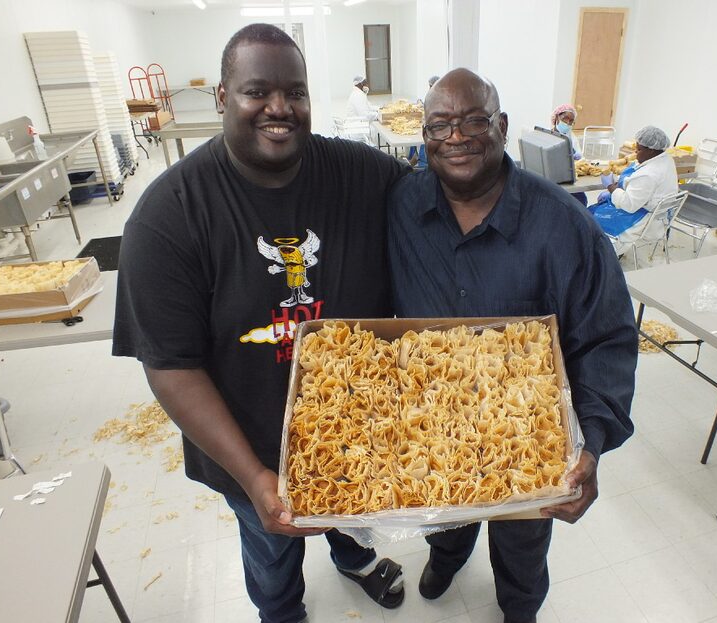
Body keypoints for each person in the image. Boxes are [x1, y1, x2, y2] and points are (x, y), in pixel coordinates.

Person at [112, 24, 409, 623]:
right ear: (223, 96)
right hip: (252, 443)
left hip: (357, 425)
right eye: (257, 92)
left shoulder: (361, 176)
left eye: (294, 92)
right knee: (272, 545)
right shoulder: (169, 217)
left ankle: (353, 556)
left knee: (354, 510)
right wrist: (251, 476)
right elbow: (172, 368)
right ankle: (280, 609)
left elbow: (442, 211)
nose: (279, 108)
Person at [388, 68, 637, 623]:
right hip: (437, 423)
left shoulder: (563, 225)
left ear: (501, 125)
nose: (456, 137)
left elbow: (607, 338)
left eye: (474, 120)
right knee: (445, 516)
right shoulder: (402, 206)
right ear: (423, 136)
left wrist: (590, 442)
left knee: (522, 548)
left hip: (528, 437)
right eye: (439, 125)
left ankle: (519, 609)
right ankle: (447, 559)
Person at [588, 125, 678, 257]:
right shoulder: (665, 159)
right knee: (591, 211)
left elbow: (629, 205)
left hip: (642, 217)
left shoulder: (649, 174)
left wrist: (611, 188)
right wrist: (618, 187)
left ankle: (600, 254)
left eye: (639, 150)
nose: (636, 153)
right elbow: (638, 184)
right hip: (655, 212)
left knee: (588, 218)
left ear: (652, 150)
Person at [550, 103, 586, 206]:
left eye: (571, 121)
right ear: (557, 117)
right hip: (553, 179)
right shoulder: (547, 135)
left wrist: (577, 158)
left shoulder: (571, 137)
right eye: (565, 119)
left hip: (568, 177)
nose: (567, 123)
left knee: (581, 200)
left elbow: (580, 157)